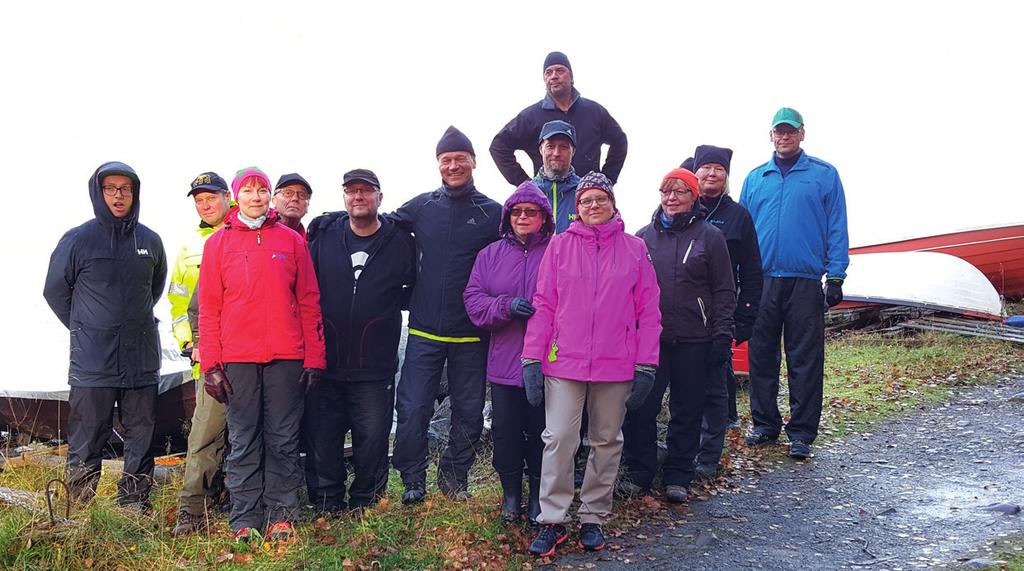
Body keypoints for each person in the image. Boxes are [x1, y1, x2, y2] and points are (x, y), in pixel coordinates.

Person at [522, 172, 661, 557]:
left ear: (613, 203)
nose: (593, 206)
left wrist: (647, 364)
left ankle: (593, 517)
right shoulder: (559, 246)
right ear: (576, 208)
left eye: (601, 199)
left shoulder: (635, 249)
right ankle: (552, 519)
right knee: (559, 439)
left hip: (616, 364)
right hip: (563, 362)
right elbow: (544, 303)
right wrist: (532, 356)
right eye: (585, 201)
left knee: (605, 441)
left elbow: (649, 311)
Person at [198, 167, 325, 541]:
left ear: (270, 196)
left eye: (262, 190)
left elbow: (309, 301)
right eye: (249, 190)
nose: (256, 196)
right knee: (243, 440)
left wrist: (314, 357)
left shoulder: (291, 241)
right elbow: (209, 308)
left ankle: (282, 516)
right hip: (237, 359)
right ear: (237, 196)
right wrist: (212, 365)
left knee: (283, 439)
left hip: (286, 357)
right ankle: (245, 520)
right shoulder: (217, 244)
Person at [43, 161, 167, 509]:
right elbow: (55, 291)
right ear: (98, 193)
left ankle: (133, 507)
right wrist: (86, 326)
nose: (118, 195)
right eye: (110, 188)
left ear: (134, 193)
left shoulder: (150, 241)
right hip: (92, 359)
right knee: (87, 438)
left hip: (140, 359)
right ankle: (78, 510)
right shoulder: (77, 239)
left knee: (141, 436)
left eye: (125, 189)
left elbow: (153, 291)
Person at [390, 127, 502, 503]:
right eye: (446, 160)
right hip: (424, 330)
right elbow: (380, 226)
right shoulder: (422, 206)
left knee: (469, 415)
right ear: (438, 165)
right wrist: (336, 223)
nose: (453, 165)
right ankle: (413, 481)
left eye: (460, 159)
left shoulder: (492, 213)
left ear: (473, 162)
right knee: (412, 410)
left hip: (472, 333)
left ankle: (454, 480)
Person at [303, 169, 416, 515]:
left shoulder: (400, 241)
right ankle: (326, 504)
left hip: (375, 366)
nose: (358, 197)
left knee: (372, 441)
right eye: (351, 191)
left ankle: (367, 505)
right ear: (344, 198)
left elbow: (411, 289)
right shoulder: (324, 236)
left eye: (366, 191)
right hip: (328, 362)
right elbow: (306, 292)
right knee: (323, 439)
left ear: (380, 198)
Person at [739, 108, 849, 459]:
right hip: (763, 281)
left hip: (804, 281)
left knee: (805, 358)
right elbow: (741, 233)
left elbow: (836, 225)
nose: (784, 137)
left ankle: (801, 433)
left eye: (791, 131)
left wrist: (835, 275)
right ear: (770, 135)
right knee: (761, 355)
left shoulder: (823, 175)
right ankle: (765, 424)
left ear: (802, 134)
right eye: (778, 132)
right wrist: (739, 277)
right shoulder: (756, 179)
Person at [621, 167, 736, 503]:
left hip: (695, 339)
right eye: (666, 192)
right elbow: (628, 292)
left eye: (680, 192)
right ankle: (640, 471)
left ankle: (678, 475)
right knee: (640, 407)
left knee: (687, 409)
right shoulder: (643, 238)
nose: (671, 198)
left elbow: (725, 289)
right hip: (651, 341)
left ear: (693, 196)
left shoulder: (710, 237)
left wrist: (721, 336)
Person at [464, 181, 554, 525]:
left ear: (544, 216)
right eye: (516, 211)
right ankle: (511, 497)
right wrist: (505, 306)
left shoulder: (558, 250)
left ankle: (537, 498)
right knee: (506, 433)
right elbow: (473, 301)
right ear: (507, 216)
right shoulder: (489, 255)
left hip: (549, 362)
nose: (523, 217)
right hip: (504, 361)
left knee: (543, 433)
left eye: (531, 211)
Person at [691, 145, 763, 479]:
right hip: (683, 310)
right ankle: (683, 449)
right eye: (705, 168)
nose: (711, 174)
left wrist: (746, 314)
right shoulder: (681, 207)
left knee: (715, 384)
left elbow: (751, 269)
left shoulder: (739, 216)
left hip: (721, 308)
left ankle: (709, 455)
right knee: (684, 384)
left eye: (718, 169)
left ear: (726, 175)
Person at [169, 172, 233, 535]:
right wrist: (188, 344)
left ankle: (235, 499)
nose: (205, 204)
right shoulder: (189, 248)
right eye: (199, 199)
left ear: (228, 197)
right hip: (208, 358)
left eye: (211, 197)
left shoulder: (248, 233)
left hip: (248, 355)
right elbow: (178, 303)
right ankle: (193, 510)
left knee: (246, 435)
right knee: (205, 435)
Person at [490, 52, 628, 186]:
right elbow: (499, 146)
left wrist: (606, 179)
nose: (554, 76)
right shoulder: (531, 116)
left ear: (571, 76)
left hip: (588, 201)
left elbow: (619, 141)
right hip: (547, 201)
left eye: (560, 71)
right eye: (548, 72)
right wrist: (525, 185)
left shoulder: (594, 111)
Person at [531, 120, 581, 233]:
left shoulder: (586, 192)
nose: (556, 153)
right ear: (541, 150)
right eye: (550, 146)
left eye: (563, 147)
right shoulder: (526, 192)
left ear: (573, 151)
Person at [272, 173, 313, 239]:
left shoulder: (311, 243)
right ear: (274, 200)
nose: (295, 198)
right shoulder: (258, 233)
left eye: (302, 195)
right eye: (288, 193)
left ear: (308, 205)